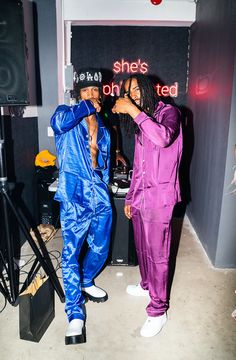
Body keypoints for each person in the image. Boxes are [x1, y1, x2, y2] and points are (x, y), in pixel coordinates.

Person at [112, 73, 182, 338]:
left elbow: (163, 138)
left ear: (148, 89)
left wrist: (132, 110)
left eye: (136, 89)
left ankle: (158, 310)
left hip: (160, 198)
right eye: (128, 92)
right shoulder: (143, 122)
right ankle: (146, 284)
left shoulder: (169, 113)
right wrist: (130, 197)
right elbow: (139, 166)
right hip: (141, 197)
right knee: (141, 248)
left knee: (159, 255)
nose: (133, 95)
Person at [51, 68, 112, 345]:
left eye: (96, 92)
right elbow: (57, 123)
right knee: (70, 254)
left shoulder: (105, 130)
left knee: (101, 246)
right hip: (75, 196)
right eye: (86, 92)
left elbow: (106, 164)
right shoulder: (66, 115)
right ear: (79, 95)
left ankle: (87, 280)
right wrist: (86, 107)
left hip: (99, 195)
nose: (92, 95)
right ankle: (75, 313)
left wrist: (107, 184)